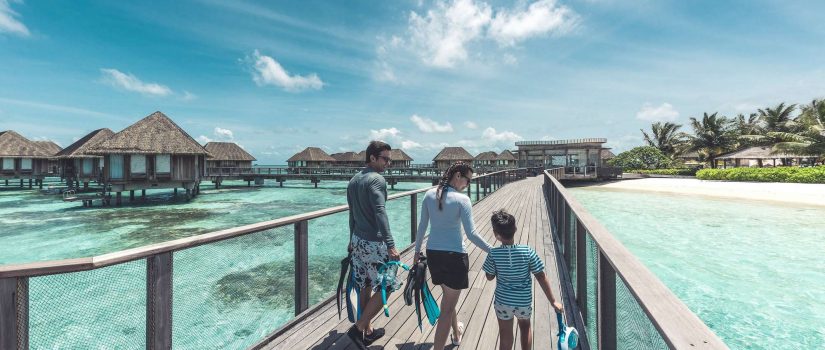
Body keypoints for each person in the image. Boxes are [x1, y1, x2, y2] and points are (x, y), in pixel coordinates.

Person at [414, 162, 492, 349]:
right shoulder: (462, 200)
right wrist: (493, 250)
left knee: (448, 296)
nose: (468, 184)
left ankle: (456, 334)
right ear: (458, 176)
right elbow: (472, 234)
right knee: (447, 308)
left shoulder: (429, 194)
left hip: (433, 255)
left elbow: (422, 227)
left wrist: (417, 252)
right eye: (468, 180)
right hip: (454, 257)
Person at [345, 140, 400, 349]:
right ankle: (358, 329)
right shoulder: (377, 180)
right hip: (374, 243)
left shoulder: (354, 180)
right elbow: (380, 212)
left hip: (358, 241)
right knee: (388, 284)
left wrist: (351, 240)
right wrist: (391, 244)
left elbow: (352, 215)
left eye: (390, 159)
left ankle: (367, 331)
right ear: (372, 158)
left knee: (365, 284)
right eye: (385, 159)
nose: (388, 163)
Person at [483, 209, 564, 350]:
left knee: (504, 333)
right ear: (515, 228)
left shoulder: (493, 254)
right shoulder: (527, 251)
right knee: (525, 328)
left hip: (503, 301)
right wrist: (553, 301)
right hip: (523, 301)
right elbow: (540, 276)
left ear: (496, 235)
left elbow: (489, 277)